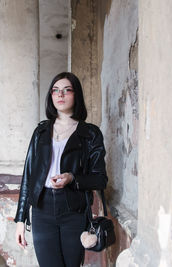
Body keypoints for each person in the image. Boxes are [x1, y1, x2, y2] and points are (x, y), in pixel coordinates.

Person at [14, 72, 108, 267]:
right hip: (42, 209)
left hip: (73, 209)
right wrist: (20, 220)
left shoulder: (90, 134)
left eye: (67, 90)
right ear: (51, 96)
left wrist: (72, 178)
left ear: (76, 95)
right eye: (55, 91)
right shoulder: (40, 131)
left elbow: (100, 179)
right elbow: (28, 177)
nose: (60, 95)